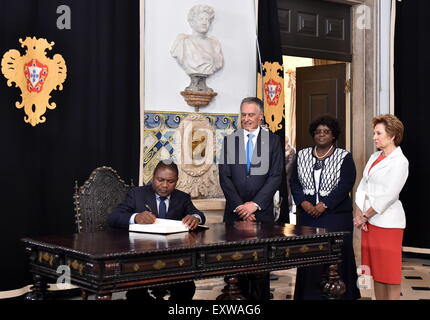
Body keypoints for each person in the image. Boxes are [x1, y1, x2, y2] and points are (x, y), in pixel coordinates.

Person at [108, 160, 206, 301]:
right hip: (142, 258)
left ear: (177, 181)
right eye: (160, 180)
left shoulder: (182, 198)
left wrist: (195, 217)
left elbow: (199, 214)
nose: (165, 185)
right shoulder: (137, 194)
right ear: (152, 177)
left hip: (172, 259)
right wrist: (136, 217)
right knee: (137, 294)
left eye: (170, 181)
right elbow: (113, 218)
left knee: (187, 288)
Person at [218, 97, 283, 300]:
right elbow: (224, 176)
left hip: (261, 214)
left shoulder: (273, 141)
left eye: (251, 115)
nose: (246, 119)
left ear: (260, 116)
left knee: (260, 266)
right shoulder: (230, 140)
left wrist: (254, 205)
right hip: (234, 214)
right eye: (243, 114)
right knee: (234, 265)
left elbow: (276, 175)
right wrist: (240, 207)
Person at [290, 115, 360, 300]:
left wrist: (325, 204)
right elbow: (294, 182)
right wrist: (304, 203)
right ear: (314, 134)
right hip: (307, 215)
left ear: (333, 135)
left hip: (336, 215)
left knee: (337, 253)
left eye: (326, 132)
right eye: (318, 131)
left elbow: (346, 184)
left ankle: (342, 294)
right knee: (309, 254)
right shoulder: (302, 155)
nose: (322, 135)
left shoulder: (344, 156)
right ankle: (310, 295)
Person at [353, 114, 408, 300]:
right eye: (374, 133)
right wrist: (359, 211)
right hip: (370, 223)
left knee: (390, 274)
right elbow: (363, 185)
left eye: (378, 133)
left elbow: (389, 195)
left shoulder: (400, 161)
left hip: (388, 224)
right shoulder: (374, 156)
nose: (374, 137)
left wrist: (365, 215)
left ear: (392, 135)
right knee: (376, 272)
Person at [171, 5, 224, 92]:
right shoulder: (183, 41)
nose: (204, 22)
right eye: (201, 19)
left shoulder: (214, 44)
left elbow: (218, 63)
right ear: (192, 22)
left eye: (207, 20)